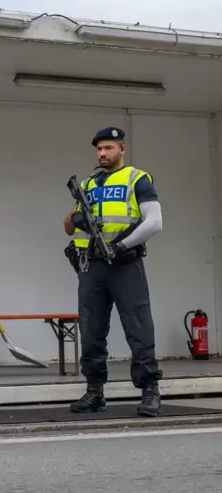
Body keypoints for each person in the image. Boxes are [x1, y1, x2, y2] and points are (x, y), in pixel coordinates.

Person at [63, 126, 164, 417]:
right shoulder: (89, 184)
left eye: (108, 148)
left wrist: (121, 246)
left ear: (123, 148)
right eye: (99, 149)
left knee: (138, 326)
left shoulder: (138, 179)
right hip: (91, 266)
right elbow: (67, 227)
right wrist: (76, 216)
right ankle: (95, 391)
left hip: (124, 263)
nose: (102, 153)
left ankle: (149, 391)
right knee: (91, 329)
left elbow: (154, 222)